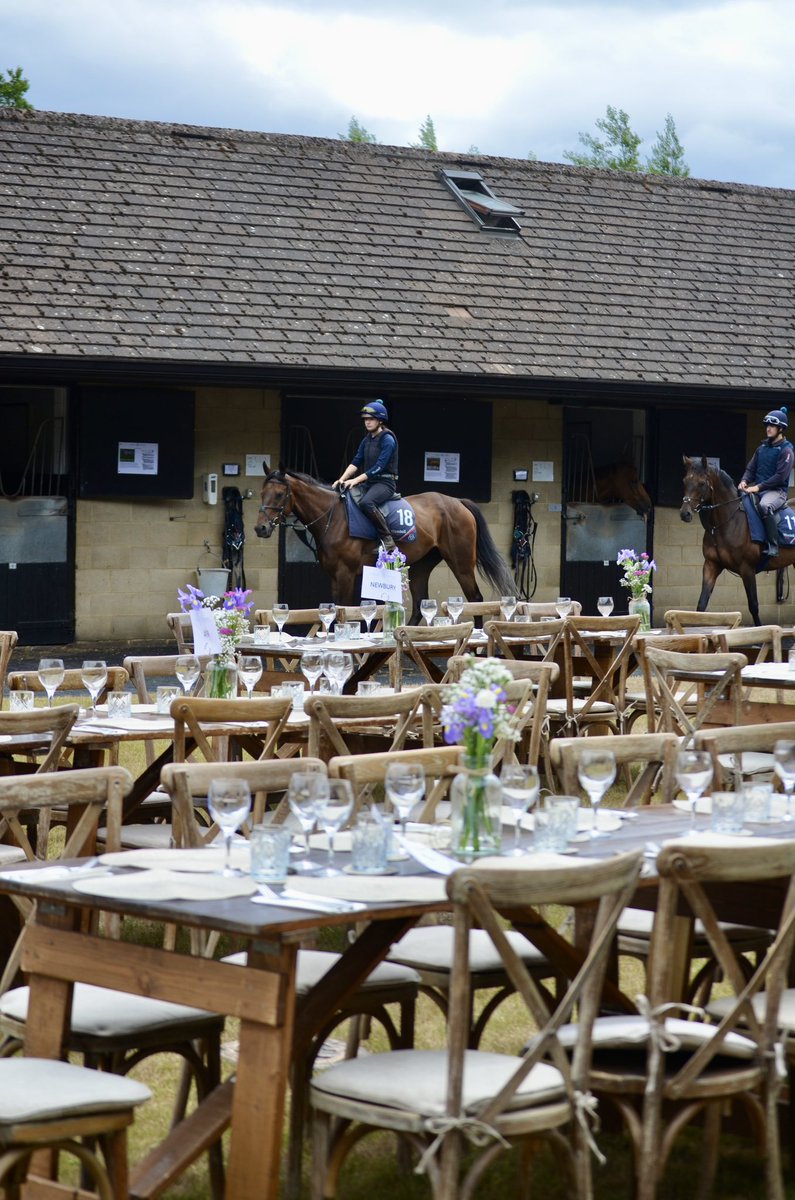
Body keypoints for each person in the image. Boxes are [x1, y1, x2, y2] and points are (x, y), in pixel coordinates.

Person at [332, 400, 399, 549]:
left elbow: (379, 467)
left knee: (366, 502)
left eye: (371, 419)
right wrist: (341, 479)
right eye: (365, 419)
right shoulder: (367, 440)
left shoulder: (388, 440)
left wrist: (355, 480)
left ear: (380, 420)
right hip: (370, 483)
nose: (367, 422)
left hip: (385, 484)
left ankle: (388, 540)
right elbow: (356, 462)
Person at [739, 407, 794, 555]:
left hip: (776, 492)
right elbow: (751, 469)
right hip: (759, 489)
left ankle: (773, 545)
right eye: (767, 426)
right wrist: (744, 480)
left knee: (765, 506)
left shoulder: (786, 451)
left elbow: (780, 477)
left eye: (772, 426)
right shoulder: (761, 448)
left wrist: (757, 487)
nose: (768, 429)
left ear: (781, 428)